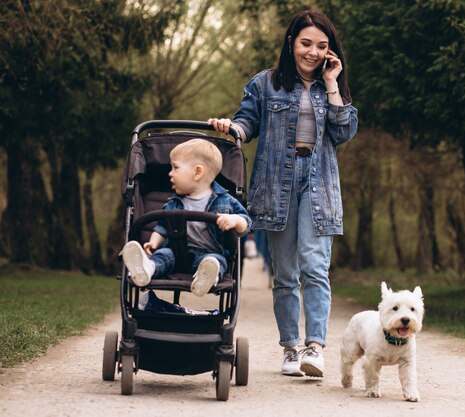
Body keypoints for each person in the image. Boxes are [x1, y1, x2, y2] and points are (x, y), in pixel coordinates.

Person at [208, 9, 358, 378]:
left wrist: (334, 82)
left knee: (315, 267)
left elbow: (343, 133)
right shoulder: (264, 84)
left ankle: (315, 348)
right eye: (306, 43)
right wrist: (232, 129)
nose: (313, 52)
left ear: (330, 50)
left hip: (319, 184)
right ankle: (291, 348)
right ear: (291, 43)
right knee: (286, 272)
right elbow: (247, 123)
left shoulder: (329, 86)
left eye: (322, 46)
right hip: (277, 183)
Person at [121, 139, 251, 297]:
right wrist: (154, 243)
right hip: (177, 253)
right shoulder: (174, 203)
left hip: (208, 253)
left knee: (216, 260)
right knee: (163, 256)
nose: (170, 173)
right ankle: (147, 268)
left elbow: (247, 222)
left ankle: (207, 277)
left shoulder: (225, 201)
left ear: (197, 172)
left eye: (175, 167)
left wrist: (235, 220)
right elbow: (162, 227)